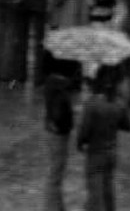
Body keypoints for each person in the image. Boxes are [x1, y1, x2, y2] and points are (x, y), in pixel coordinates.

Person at [75, 73, 130, 211]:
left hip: (95, 153)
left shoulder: (91, 104)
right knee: (108, 190)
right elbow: (129, 126)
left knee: (95, 192)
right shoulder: (118, 103)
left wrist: (80, 143)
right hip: (111, 152)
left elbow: (84, 130)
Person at [41, 68, 77, 211]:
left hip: (54, 134)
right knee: (55, 174)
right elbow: (58, 115)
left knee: (55, 173)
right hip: (59, 137)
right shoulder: (60, 92)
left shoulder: (51, 86)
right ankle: (52, 207)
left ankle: (57, 206)